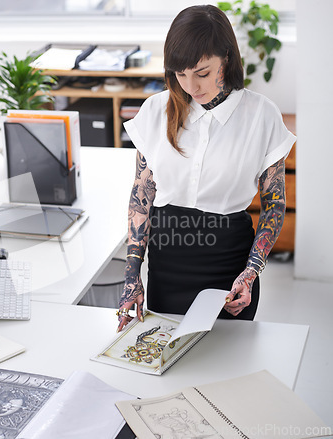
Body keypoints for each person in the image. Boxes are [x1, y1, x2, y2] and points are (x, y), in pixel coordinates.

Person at [116, 4, 296, 332]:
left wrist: (251, 271)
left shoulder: (261, 115)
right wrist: (132, 277)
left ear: (226, 59)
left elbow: (274, 204)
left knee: (221, 368)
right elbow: (141, 194)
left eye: (201, 72)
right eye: (180, 74)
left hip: (228, 269)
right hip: (166, 266)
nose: (191, 86)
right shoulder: (155, 111)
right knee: (163, 365)